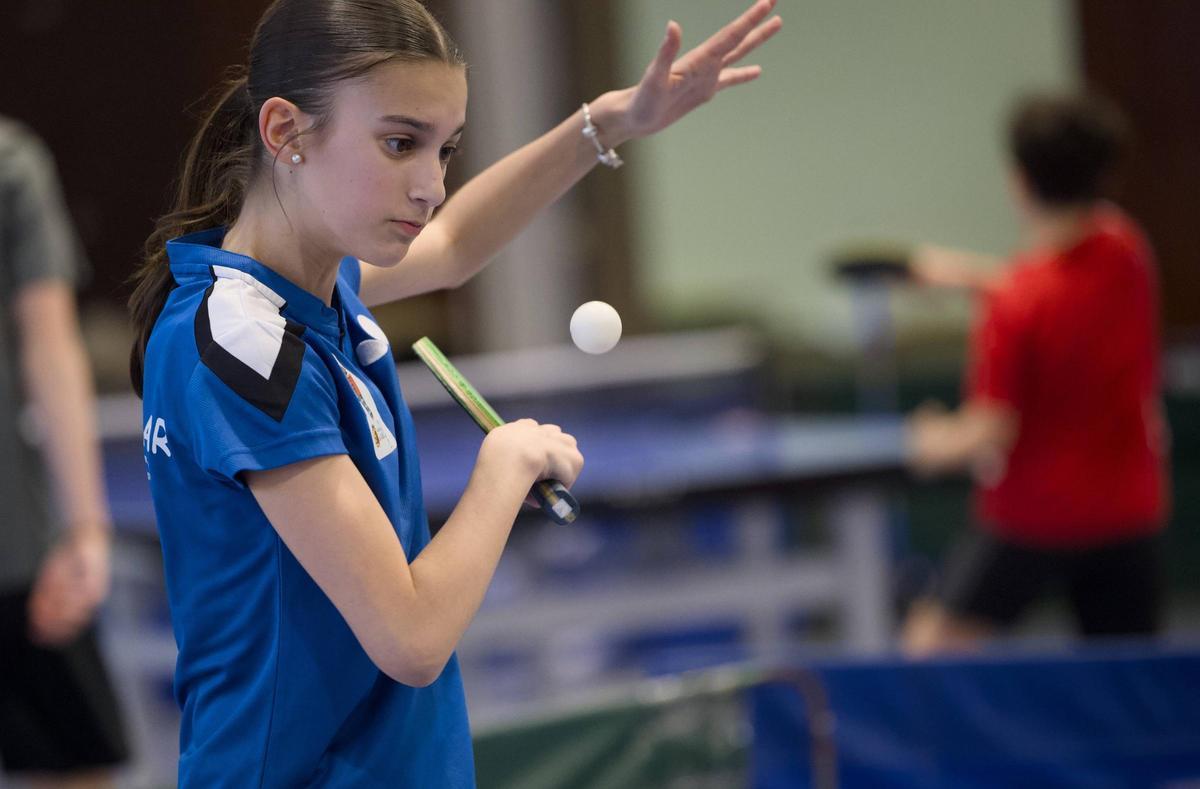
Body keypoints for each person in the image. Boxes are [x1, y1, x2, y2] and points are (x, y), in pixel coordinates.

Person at [125, 0, 781, 784]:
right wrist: (505, 465)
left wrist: (607, 124)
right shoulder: (245, 343)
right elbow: (411, 637)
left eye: (445, 150)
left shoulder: (310, 284)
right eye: (400, 143)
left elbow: (458, 241)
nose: (431, 186)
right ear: (285, 131)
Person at [901, 92, 1169, 656]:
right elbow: (1062, 288)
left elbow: (990, 429)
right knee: (1126, 679)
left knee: (928, 651)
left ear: (1019, 182)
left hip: (1035, 515)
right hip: (1128, 507)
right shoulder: (1127, 249)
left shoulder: (1015, 305)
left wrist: (931, 442)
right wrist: (965, 276)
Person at [0, 118, 128, 786]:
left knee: (75, 761)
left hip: (17, 546)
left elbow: (50, 349)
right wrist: (85, 530)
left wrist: (83, 529)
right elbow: (49, 347)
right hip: (16, 545)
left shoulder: (12, 165)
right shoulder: (10, 159)